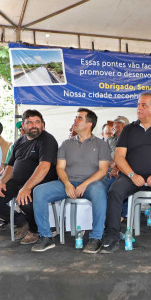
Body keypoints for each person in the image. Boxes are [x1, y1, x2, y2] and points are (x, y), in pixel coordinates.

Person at [102, 93, 151, 254]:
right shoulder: (129, 129)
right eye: (138, 104)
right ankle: (112, 234)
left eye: (143, 105)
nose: (139, 108)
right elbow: (119, 156)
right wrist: (131, 175)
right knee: (115, 191)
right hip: (132, 176)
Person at [32, 108, 110, 253]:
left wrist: (84, 184)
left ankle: (96, 238)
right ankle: (46, 237)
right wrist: (67, 184)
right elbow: (60, 168)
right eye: (75, 117)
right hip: (68, 182)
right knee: (39, 191)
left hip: (92, 184)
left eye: (79, 118)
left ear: (89, 124)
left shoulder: (101, 144)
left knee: (99, 191)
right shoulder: (66, 144)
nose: (75, 120)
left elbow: (103, 170)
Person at [0, 109, 58, 245]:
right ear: (23, 125)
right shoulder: (19, 142)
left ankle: (34, 230)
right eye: (29, 122)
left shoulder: (47, 139)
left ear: (42, 124)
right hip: (16, 182)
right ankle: (21, 221)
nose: (34, 125)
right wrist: (3, 181)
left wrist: (27, 188)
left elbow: (44, 167)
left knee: (25, 201)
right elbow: (10, 166)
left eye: (37, 122)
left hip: (39, 185)